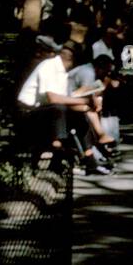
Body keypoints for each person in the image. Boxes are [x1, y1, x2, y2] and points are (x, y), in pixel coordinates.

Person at [17, 35, 113, 175]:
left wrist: (88, 106)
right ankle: (58, 146)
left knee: (80, 113)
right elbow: (53, 98)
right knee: (59, 109)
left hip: (48, 111)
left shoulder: (62, 72)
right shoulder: (49, 66)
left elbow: (67, 100)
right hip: (28, 111)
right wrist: (84, 101)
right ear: (71, 60)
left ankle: (89, 157)